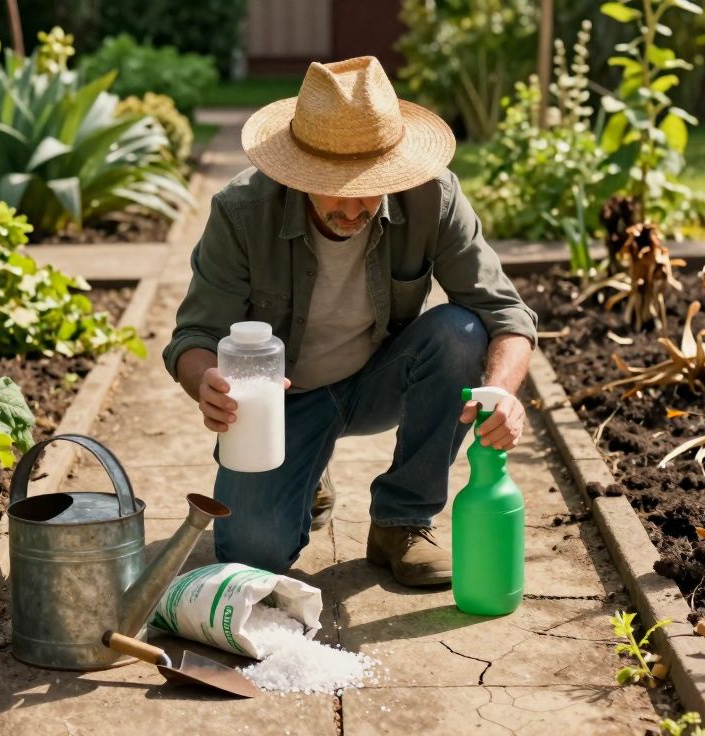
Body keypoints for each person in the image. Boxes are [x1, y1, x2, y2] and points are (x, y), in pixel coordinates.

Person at [163, 56, 538, 587]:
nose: (355, 205)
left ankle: (401, 522)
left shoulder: (434, 196)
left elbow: (506, 313)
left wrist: (501, 394)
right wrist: (206, 383)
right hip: (280, 406)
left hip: (376, 379)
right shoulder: (242, 212)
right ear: (298, 170)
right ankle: (306, 465)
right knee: (251, 557)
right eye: (334, 184)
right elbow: (193, 338)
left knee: (461, 332)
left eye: (374, 183)